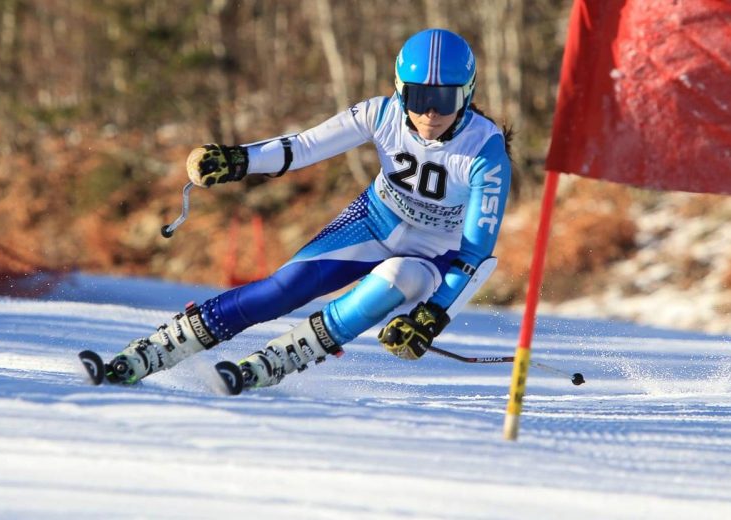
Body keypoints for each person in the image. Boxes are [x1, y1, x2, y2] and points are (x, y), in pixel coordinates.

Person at [105, 28, 512, 391]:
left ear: (468, 94)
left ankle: (282, 358)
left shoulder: (485, 151)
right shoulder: (380, 113)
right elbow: (304, 146)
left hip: (432, 252)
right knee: (283, 289)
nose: (430, 113)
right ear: (399, 89)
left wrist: (432, 317)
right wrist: (239, 160)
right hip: (374, 220)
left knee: (392, 279)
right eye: (419, 97)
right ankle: (159, 347)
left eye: (445, 99)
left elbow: (475, 255)